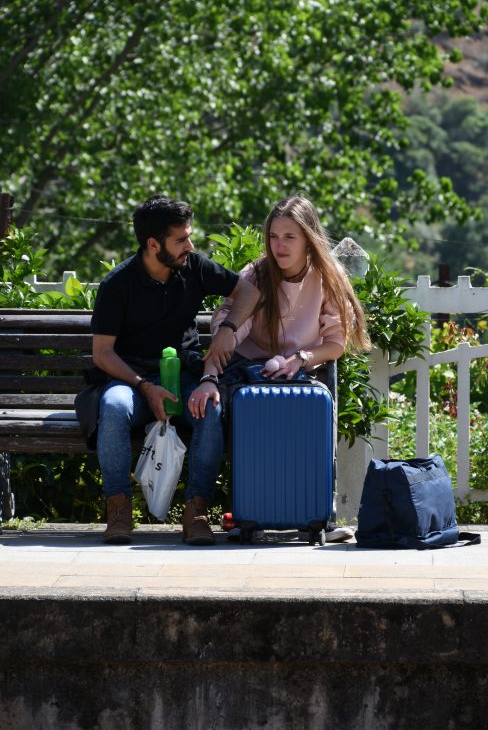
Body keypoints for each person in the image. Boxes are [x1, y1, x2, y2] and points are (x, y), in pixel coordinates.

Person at [82, 196, 259, 545]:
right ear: (153, 244)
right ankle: (118, 511)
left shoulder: (193, 267)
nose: (190, 247)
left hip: (186, 375)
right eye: (181, 240)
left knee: (211, 406)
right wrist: (144, 386)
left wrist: (227, 329)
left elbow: (249, 292)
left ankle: (197, 511)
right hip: (129, 380)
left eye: (189, 237)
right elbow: (102, 354)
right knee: (114, 407)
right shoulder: (117, 285)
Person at [211, 193, 371, 542]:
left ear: (308, 239)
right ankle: (253, 510)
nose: (279, 246)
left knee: (311, 415)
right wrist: (228, 334)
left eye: (289, 237)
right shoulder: (256, 274)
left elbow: (336, 342)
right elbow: (232, 320)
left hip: (303, 370)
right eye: (273, 236)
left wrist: (300, 359)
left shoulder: (328, 277)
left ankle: (314, 513)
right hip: (249, 371)